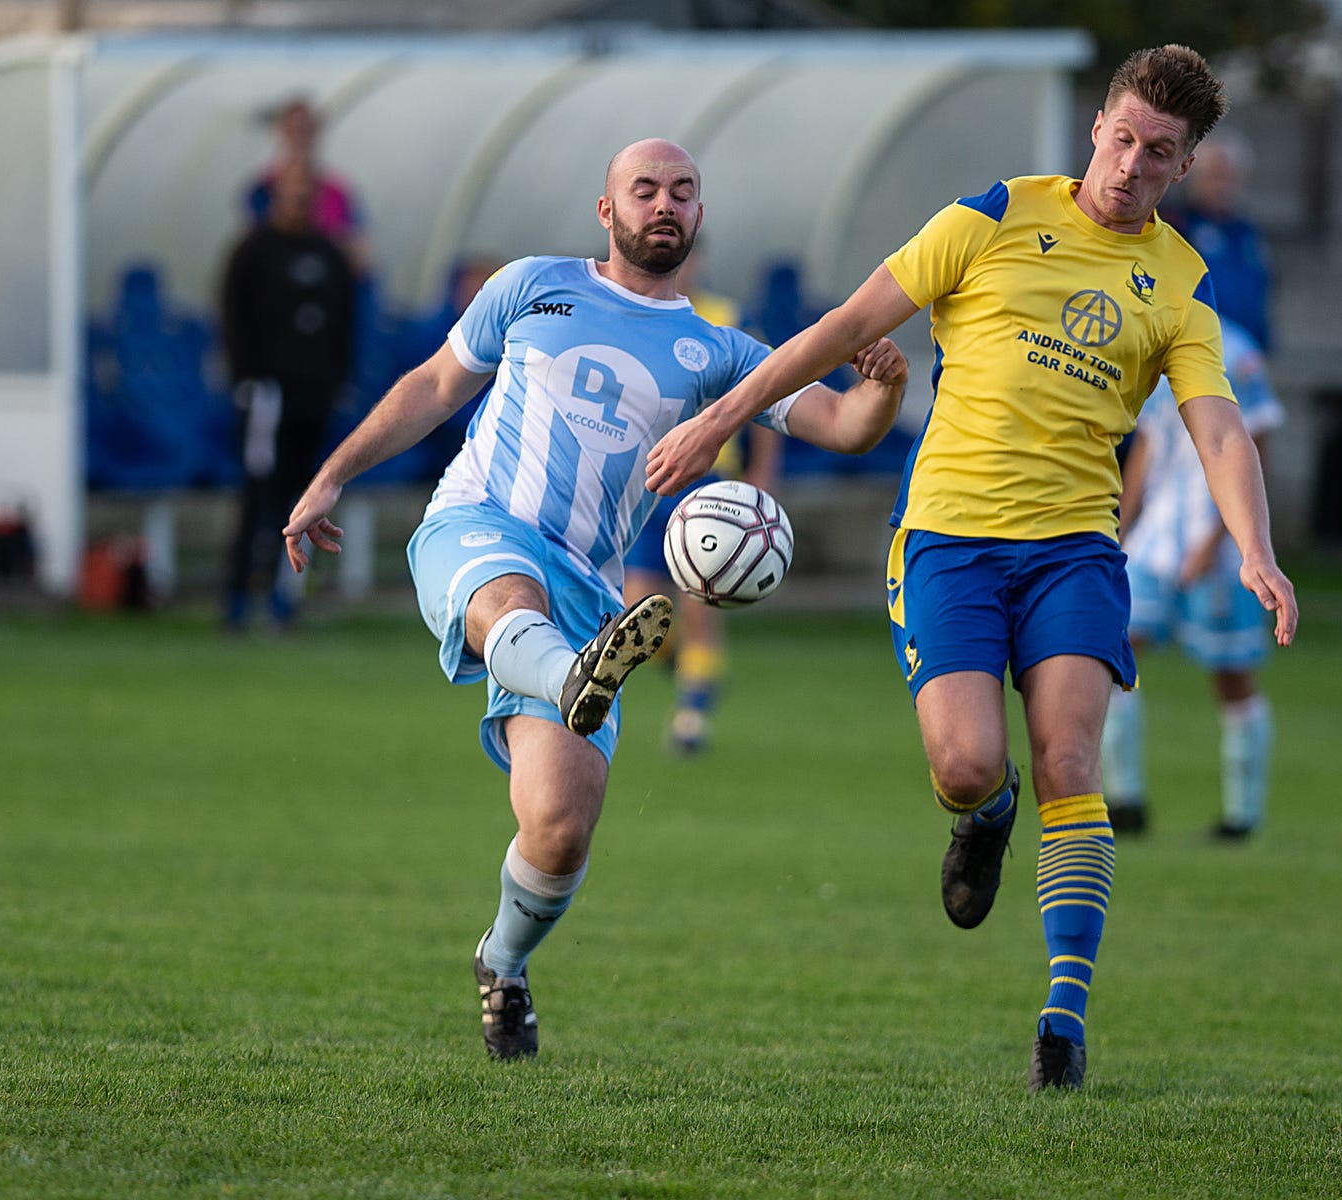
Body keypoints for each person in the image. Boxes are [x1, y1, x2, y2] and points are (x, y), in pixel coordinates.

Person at [647, 46, 1298, 1092]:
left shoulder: (1179, 281)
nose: (1132, 165)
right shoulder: (992, 215)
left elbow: (1218, 431)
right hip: (948, 539)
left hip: (1076, 550)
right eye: (1124, 138)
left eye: (1160, 153)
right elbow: (844, 329)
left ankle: (1062, 1019)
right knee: (964, 766)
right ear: (1097, 126)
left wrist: (1257, 551)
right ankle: (984, 817)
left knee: (1073, 763)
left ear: (1185, 166)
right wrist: (718, 419)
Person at [281, 138, 907, 1063]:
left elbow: (846, 427)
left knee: (560, 827)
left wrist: (885, 387)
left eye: (683, 192)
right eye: (644, 190)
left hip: (588, 588)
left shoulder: (722, 351)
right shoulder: (531, 285)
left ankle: (503, 963)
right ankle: (574, 672)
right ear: (605, 212)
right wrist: (332, 476)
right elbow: (431, 388)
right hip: (480, 523)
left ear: (699, 216)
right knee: (506, 597)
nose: (665, 204)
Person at [1102, 319, 1283, 841]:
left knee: (1232, 675)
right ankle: (1125, 800)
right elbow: (1147, 445)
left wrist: (1224, 538)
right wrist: (1122, 525)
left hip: (1218, 546)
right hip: (1155, 541)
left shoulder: (1239, 350)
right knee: (1114, 658)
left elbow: (1257, 446)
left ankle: (1242, 815)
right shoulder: (1152, 334)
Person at [621, 240, 783, 754]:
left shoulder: (726, 319)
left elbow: (769, 399)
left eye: (689, 258)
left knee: (697, 607)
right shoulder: (632, 318)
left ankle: (692, 715)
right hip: (646, 483)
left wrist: (761, 474)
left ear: (699, 261)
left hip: (710, 487)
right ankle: (692, 672)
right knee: (636, 614)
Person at [219, 162, 358, 632]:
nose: (301, 206)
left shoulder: (330, 256)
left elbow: (345, 322)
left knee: (307, 495)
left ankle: (285, 597)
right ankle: (238, 596)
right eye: (293, 196)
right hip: (267, 397)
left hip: (314, 397)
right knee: (261, 492)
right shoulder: (252, 252)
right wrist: (246, 378)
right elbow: (233, 319)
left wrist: (338, 379)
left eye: (308, 198)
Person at [1167, 132, 1271, 352]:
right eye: (1216, 176)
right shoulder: (1175, 227)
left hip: (1247, 354)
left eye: (1231, 177)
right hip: (1195, 349)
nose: (1223, 186)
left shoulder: (1247, 234)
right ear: (1192, 175)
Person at [245, 96, 368, 270]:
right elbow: (253, 253)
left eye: (306, 129)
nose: (299, 137)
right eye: (292, 130)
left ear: (317, 133)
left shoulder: (338, 193)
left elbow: (360, 257)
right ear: (281, 133)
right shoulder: (261, 190)